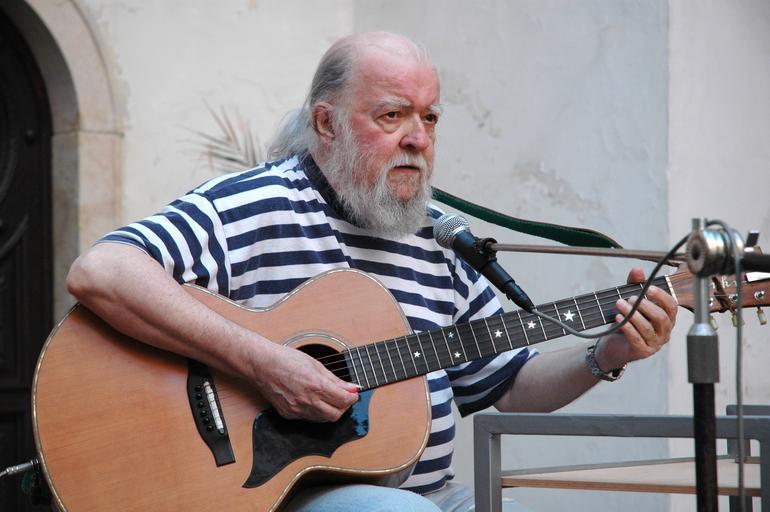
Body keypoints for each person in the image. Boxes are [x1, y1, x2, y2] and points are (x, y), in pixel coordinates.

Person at [66, 31, 677, 512]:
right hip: (276, 496)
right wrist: (265, 363)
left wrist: (608, 353)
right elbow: (103, 271)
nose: (418, 139)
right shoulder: (253, 206)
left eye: (430, 118)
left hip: (429, 494)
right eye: (393, 116)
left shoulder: (442, 239)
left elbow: (506, 386)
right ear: (326, 123)